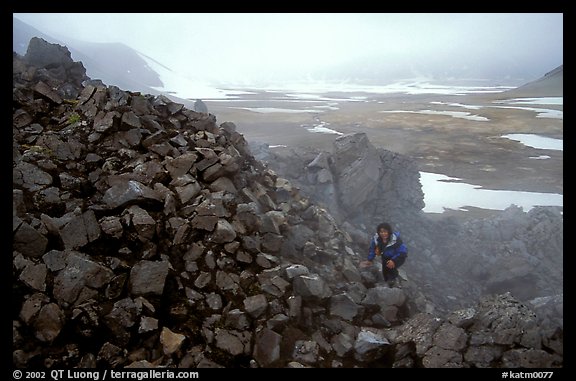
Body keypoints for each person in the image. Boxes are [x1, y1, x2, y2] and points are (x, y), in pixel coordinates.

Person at [360, 222, 407, 287]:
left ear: (389, 232)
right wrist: (369, 260)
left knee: (390, 267)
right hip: (386, 257)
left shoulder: (396, 240)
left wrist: (394, 260)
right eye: (381, 232)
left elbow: (403, 252)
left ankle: (394, 281)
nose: (383, 234)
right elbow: (372, 249)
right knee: (385, 272)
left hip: (399, 257)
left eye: (385, 231)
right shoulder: (376, 239)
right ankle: (387, 283)